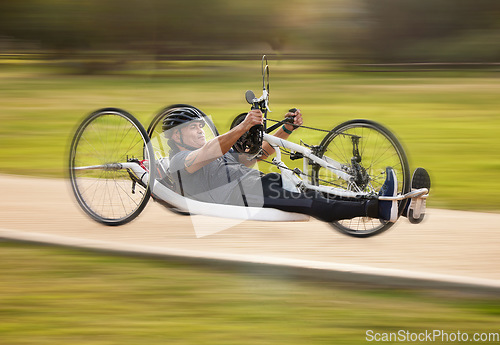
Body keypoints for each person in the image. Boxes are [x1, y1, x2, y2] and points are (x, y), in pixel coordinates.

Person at [163, 107, 401, 223]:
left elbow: (256, 156)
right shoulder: (179, 161)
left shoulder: (217, 152)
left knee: (318, 193)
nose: (200, 131)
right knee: (312, 202)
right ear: (176, 137)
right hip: (243, 195)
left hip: (259, 184)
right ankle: (377, 208)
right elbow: (211, 150)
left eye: (200, 126)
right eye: (193, 128)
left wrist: (287, 129)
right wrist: (243, 126)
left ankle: (392, 204)